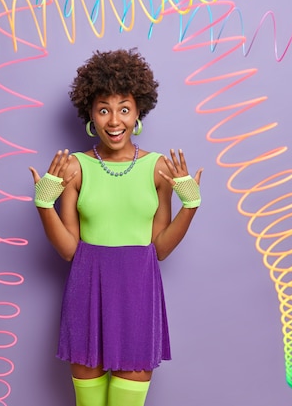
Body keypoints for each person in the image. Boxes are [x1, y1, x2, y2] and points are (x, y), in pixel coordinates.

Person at [29, 48, 202, 406]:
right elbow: (68, 250)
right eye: (104, 108)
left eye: (124, 108)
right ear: (90, 113)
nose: (114, 120)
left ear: (139, 111)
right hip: (87, 288)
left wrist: (192, 204)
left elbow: (161, 248)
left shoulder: (159, 169)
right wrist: (44, 204)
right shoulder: (75, 167)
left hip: (139, 291)